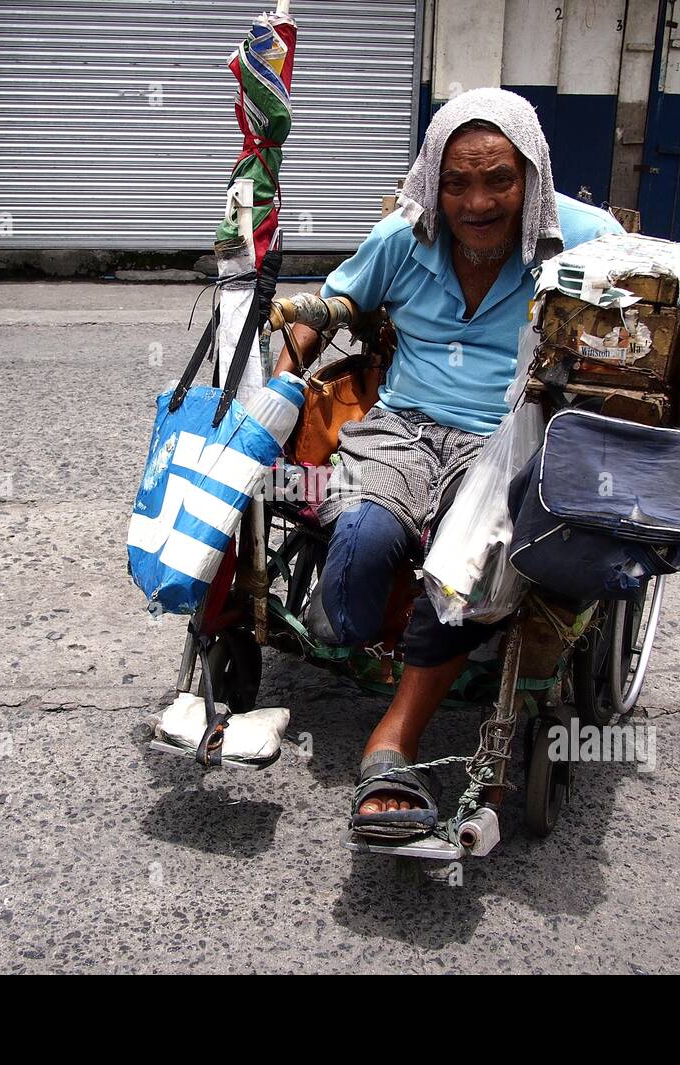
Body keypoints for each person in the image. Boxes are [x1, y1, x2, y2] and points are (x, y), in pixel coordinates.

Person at [269, 87, 623, 839]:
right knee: (363, 541)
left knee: (462, 566)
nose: (479, 201)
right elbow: (325, 307)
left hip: (506, 436)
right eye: (457, 181)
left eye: (500, 178)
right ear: (432, 179)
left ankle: (393, 736)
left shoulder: (585, 240)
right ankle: (357, 623)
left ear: (533, 176)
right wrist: (279, 382)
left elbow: (652, 310)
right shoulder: (404, 236)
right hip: (400, 425)